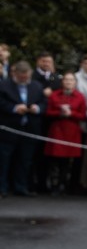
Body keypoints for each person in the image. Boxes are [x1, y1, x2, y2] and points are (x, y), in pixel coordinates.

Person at [0, 61, 47, 197]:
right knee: (4, 160)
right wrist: (14, 108)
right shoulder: (4, 86)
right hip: (9, 129)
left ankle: (21, 186)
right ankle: (2, 187)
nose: (24, 80)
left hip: (30, 129)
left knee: (25, 160)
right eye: (22, 77)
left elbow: (43, 102)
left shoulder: (37, 86)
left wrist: (37, 108)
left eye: (26, 77)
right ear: (15, 74)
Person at [43, 72, 87, 194]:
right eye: (66, 80)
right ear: (62, 82)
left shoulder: (80, 96)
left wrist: (71, 114)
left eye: (71, 80)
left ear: (75, 82)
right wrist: (59, 113)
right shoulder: (54, 95)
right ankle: (54, 184)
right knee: (54, 161)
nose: (68, 82)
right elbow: (48, 112)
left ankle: (65, 184)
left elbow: (83, 115)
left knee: (67, 162)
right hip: (57, 131)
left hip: (72, 132)